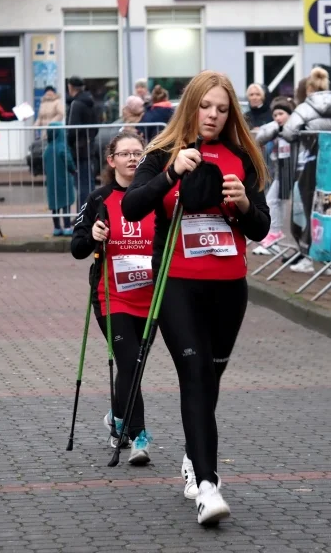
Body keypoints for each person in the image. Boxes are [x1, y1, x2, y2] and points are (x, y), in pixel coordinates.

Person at [122, 70, 270, 525]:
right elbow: (132, 207)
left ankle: (193, 455)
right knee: (194, 375)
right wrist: (171, 174)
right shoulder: (163, 152)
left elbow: (261, 227)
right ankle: (207, 485)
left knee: (212, 378)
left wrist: (244, 204)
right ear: (192, 106)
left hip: (229, 286)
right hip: (177, 284)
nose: (213, 115)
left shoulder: (241, 155)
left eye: (222, 109)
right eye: (206, 106)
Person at [71, 131, 154, 465]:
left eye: (138, 153)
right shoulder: (99, 199)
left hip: (151, 296)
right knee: (131, 361)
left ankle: (117, 419)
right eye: (125, 154)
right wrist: (92, 235)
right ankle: (139, 437)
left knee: (133, 365)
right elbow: (77, 248)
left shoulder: (156, 195)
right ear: (111, 160)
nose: (132, 159)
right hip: (112, 296)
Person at [282, 66, 331, 274]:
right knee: (326, 209)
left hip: (307, 161)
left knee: (307, 209)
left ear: (309, 88)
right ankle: (325, 258)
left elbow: (288, 132)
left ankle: (308, 256)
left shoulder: (305, 107)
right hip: (329, 161)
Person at [253, 96, 296, 254]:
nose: (278, 118)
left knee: (278, 203)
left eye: (281, 114)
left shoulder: (295, 127)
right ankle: (274, 236)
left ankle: (278, 236)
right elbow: (260, 138)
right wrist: (275, 127)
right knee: (273, 201)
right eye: (275, 115)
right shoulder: (276, 128)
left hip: (293, 171)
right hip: (282, 170)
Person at [66, 76, 99, 207]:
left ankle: (83, 213)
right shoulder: (90, 102)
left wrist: (69, 143)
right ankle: (90, 211)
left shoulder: (76, 104)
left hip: (78, 149)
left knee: (81, 183)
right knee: (88, 182)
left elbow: (72, 129)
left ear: (70, 87)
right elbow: (96, 126)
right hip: (88, 146)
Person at [43, 122, 76, 236]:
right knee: (66, 204)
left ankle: (57, 228)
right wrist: (73, 170)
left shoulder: (47, 149)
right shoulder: (62, 147)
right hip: (64, 180)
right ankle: (67, 227)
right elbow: (69, 161)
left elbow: (45, 166)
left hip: (52, 182)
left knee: (55, 206)